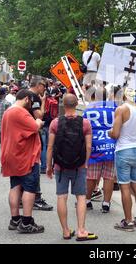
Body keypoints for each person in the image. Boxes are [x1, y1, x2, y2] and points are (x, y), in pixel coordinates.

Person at [46, 94, 97, 241]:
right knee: (81, 197)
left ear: (63, 105)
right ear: (76, 104)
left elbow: (50, 147)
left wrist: (49, 166)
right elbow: (88, 146)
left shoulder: (55, 123)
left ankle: (66, 231)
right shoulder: (85, 123)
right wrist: (86, 162)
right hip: (79, 165)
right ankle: (81, 230)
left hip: (60, 166)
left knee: (61, 196)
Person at [1, 89, 45, 233]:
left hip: (11, 154)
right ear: (27, 99)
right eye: (31, 102)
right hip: (24, 155)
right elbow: (34, 127)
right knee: (29, 188)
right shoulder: (20, 112)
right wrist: (38, 120)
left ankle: (15, 219)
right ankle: (26, 222)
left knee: (15, 186)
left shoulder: (9, 111)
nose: (31, 106)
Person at [109, 88, 136, 231]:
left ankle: (128, 221)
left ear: (124, 95)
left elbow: (115, 134)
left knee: (125, 186)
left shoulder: (121, 109)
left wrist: (109, 132)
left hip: (123, 150)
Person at [83, 87, 117, 213]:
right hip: (111, 144)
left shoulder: (89, 109)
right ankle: (106, 203)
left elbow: (84, 127)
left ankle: (87, 201)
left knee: (91, 176)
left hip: (94, 145)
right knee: (109, 176)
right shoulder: (114, 108)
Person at [28, 76, 53, 211]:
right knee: (34, 166)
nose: (45, 88)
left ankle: (24, 196)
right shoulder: (35, 97)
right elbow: (39, 115)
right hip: (34, 132)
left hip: (24, 134)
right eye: (44, 85)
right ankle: (36, 198)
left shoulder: (23, 94)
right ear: (38, 85)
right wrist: (43, 102)